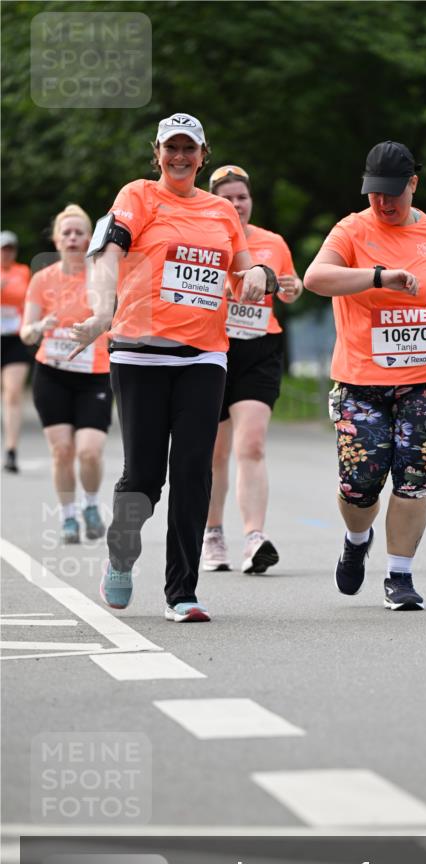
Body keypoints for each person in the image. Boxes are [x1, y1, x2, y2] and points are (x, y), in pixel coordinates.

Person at [68, 114, 277, 623]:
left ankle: (181, 592)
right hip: (140, 353)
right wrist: (101, 312)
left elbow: (244, 269)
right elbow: (108, 252)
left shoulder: (221, 212)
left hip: (204, 356)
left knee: (192, 473)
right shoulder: (138, 195)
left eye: (189, 149)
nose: (180, 157)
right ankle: (121, 553)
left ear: (203, 156)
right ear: (157, 153)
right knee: (144, 477)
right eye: (171, 148)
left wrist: (258, 275)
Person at [304, 140, 426, 610]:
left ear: (413, 184)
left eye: (393, 192)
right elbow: (316, 278)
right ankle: (356, 539)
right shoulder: (351, 230)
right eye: (374, 192)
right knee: (360, 481)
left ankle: (399, 576)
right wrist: (377, 276)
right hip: (360, 381)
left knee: (413, 476)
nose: (383, 202)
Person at [202, 164, 302, 574]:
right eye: (226, 198)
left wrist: (292, 287)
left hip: (259, 349)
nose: (236, 204)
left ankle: (254, 538)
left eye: (241, 197)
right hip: (212, 348)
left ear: (251, 200)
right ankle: (212, 534)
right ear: (213, 202)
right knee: (215, 452)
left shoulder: (272, 242)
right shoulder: (202, 239)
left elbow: (291, 287)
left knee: (253, 445)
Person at [20, 206, 111, 543]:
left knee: (89, 451)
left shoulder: (100, 276)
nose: (72, 238)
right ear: (56, 240)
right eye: (66, 233)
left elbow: (110, 318)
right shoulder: (42, 279)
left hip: (94, 373)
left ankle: (91, 504)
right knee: (61, 451)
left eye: (79, 233)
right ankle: (69, 516)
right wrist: (39, 327)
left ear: (89, 239)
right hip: (52, 373)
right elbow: (26, 332)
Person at [1, 230, 32, 472]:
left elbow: (27, 298)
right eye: (3, 249)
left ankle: (11, 450)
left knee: (12, 393)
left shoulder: (22, 272)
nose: (7, 253)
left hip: (14, 339)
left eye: (10, 249)